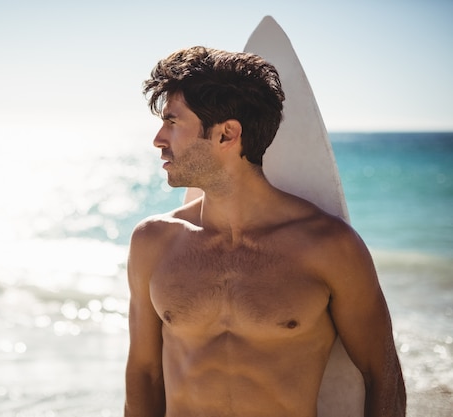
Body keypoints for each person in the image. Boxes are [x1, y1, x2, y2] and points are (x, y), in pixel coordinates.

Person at [124, 46, 405, 417]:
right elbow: (144, 375)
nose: (159, 139)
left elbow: (383, 378)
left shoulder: (329, 247)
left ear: (227, 135)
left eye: (173, 122)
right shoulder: (153, 242)